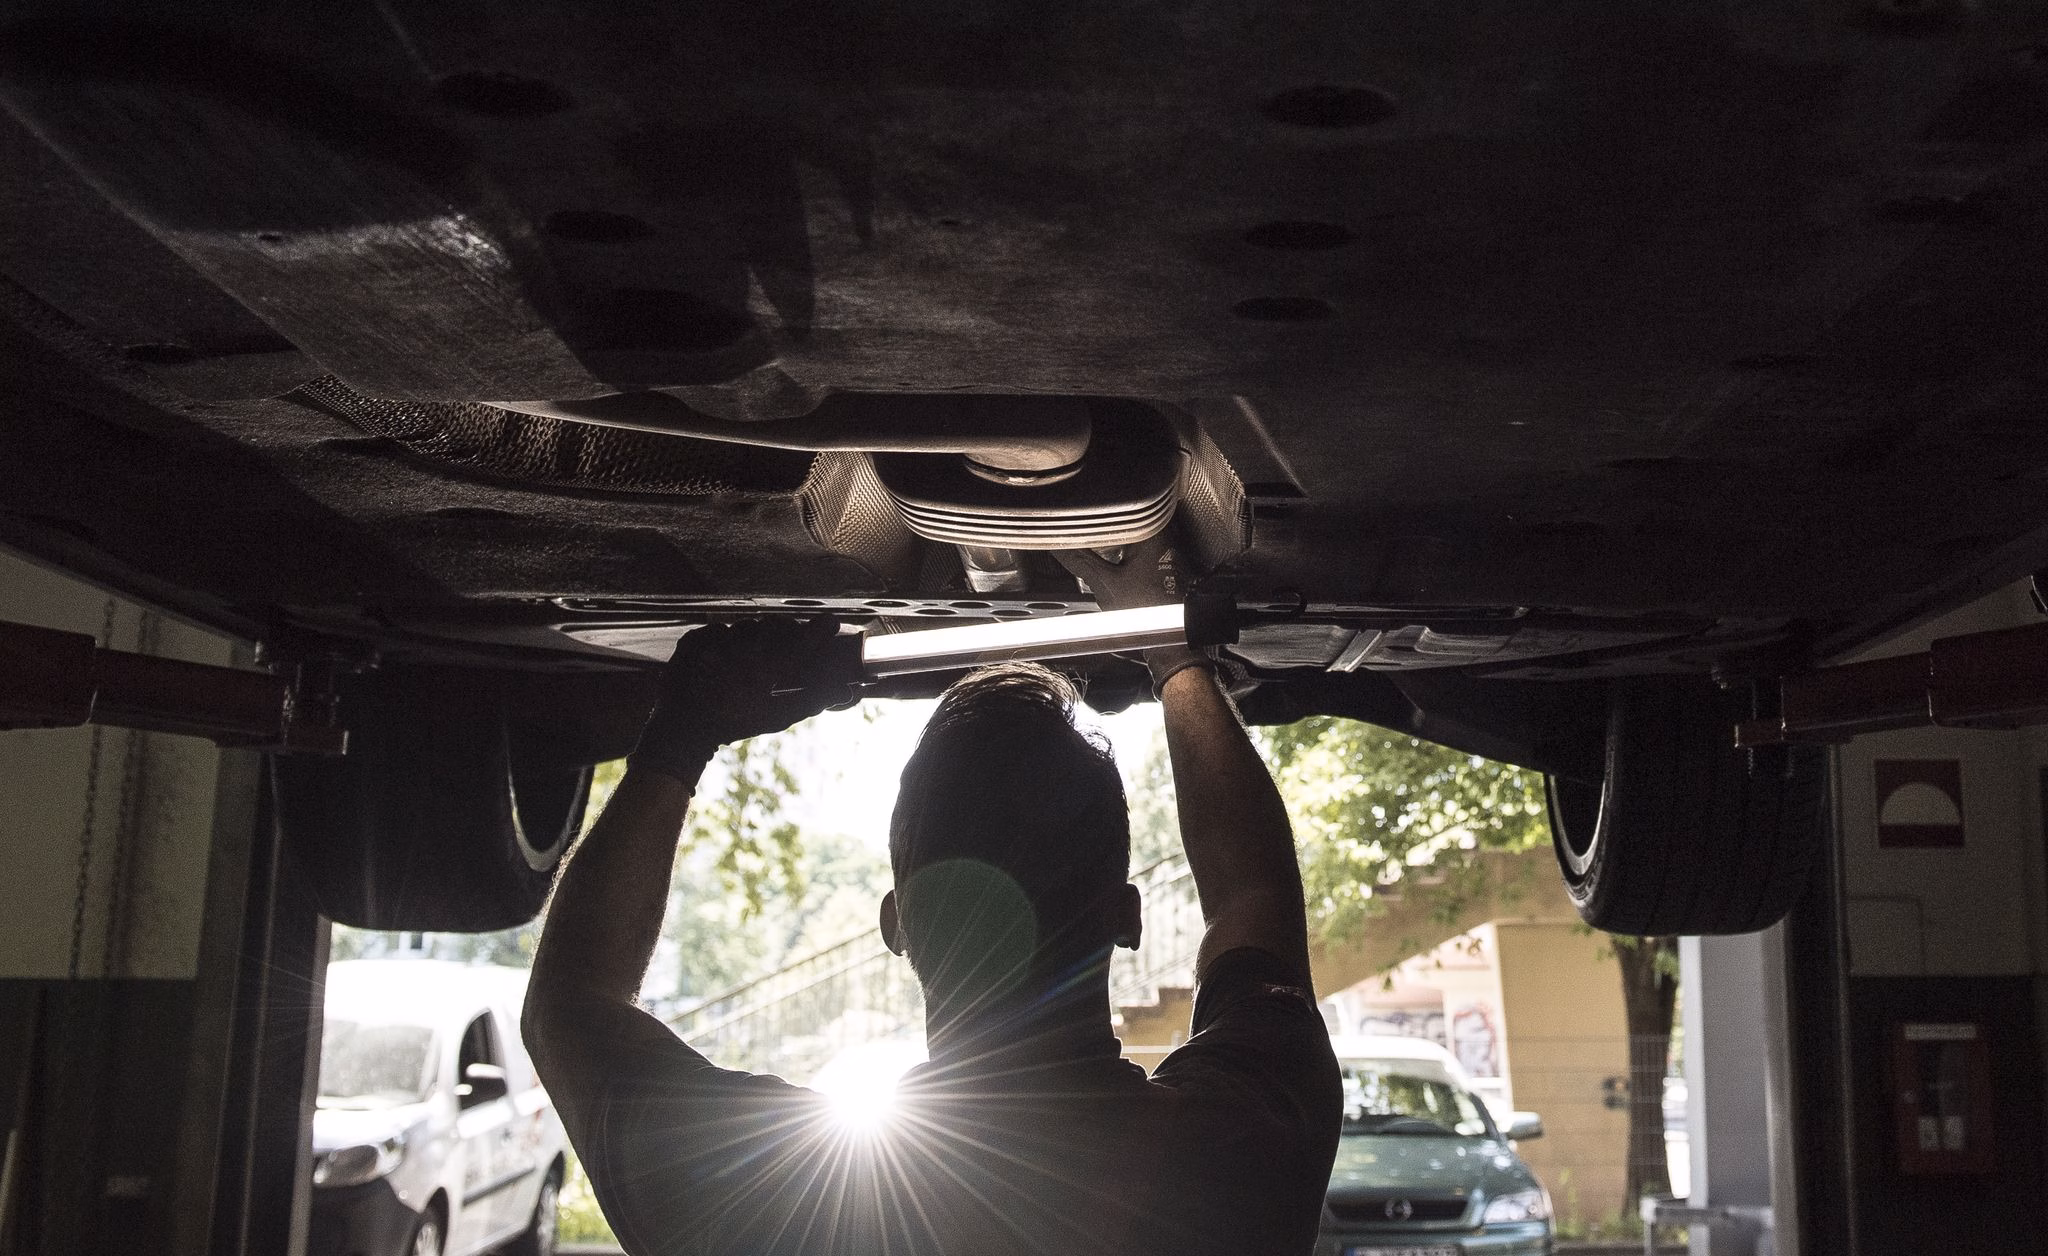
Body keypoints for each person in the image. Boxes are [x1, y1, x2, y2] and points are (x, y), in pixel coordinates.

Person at [524, 538, 1341, 1255]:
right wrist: (1174, 657)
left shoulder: (792, 1194)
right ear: (1127, 918)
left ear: (898, 925)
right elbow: (1252, 895)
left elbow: (569, 1006)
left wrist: (682, 734)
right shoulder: (1240, 1152)